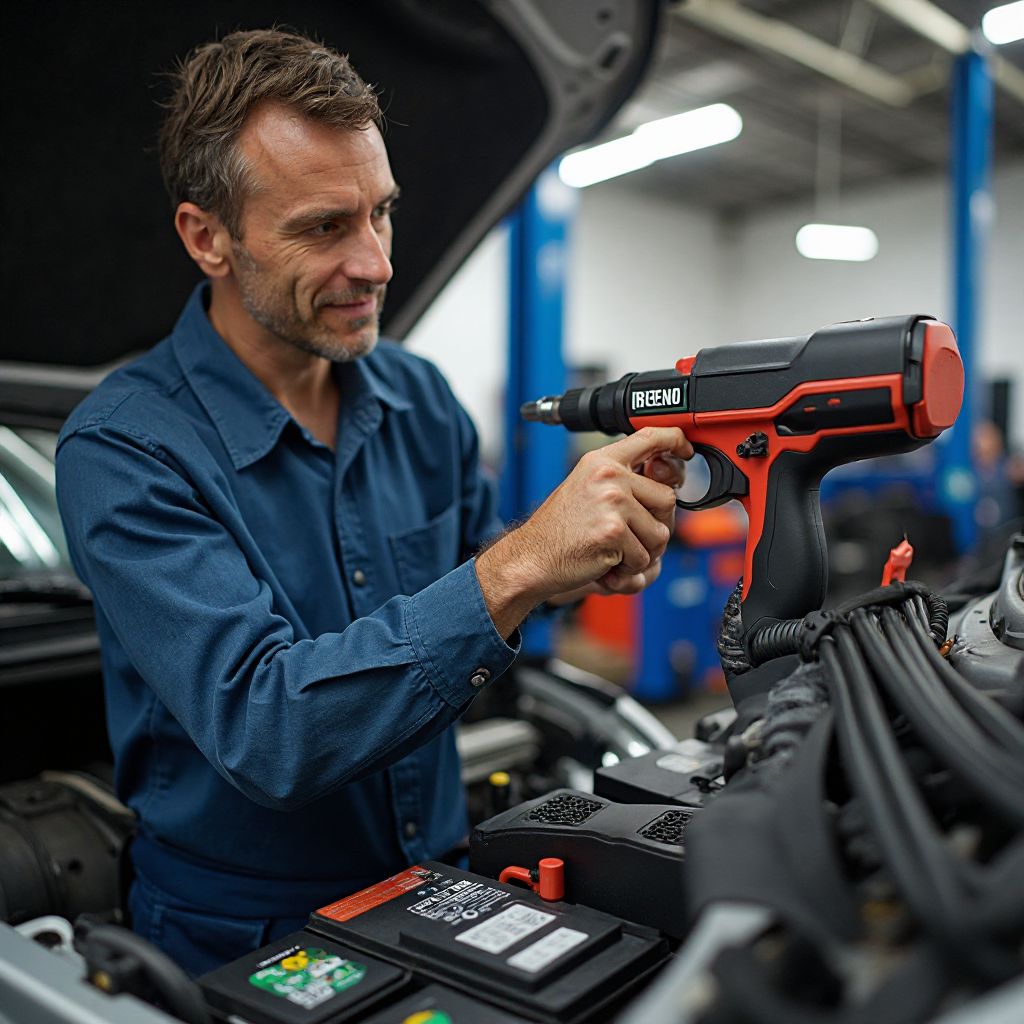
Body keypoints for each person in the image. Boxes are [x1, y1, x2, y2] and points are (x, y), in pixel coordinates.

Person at [55, 28, 691, 976]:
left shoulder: (419, 401)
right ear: (207, 237)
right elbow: (266, 727)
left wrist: (575, 553)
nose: (378, 263)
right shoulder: (126, 450)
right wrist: (519, 567)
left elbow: (484, 569)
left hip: (433, 876)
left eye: (381, 214)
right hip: (243, 935)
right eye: (323, 228)